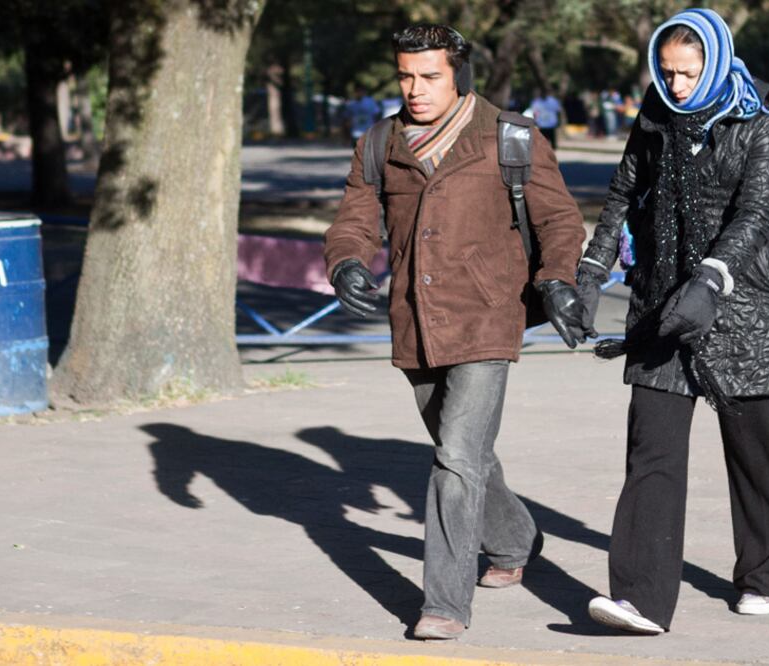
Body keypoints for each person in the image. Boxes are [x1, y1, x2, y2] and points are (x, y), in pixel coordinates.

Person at [323, 23, 589, 640]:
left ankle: (443, 602)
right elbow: (353, 220)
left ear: (459, 75)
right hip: (414, 321)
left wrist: (556, 280)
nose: (414, 89)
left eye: (429, 76)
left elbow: (559, 221)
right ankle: (517, 539)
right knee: (467, 454)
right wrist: (346, 263)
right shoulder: (379, 142)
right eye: (405, 77)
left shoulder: (509, 136)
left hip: (488, 316)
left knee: (456, 459)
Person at [577, 8, 769, 635]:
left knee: (755, 455)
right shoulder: (654, 118)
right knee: (651, 451)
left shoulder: (759, 122)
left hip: (741, 311)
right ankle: (641, 600)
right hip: (661, 309)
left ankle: (760, 574)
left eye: (688, 73)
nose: (676, 86)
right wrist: (591, 273)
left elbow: (755, 214)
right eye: (667, 72)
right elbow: (622, 195)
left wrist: (711, 279)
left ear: (718, 63)